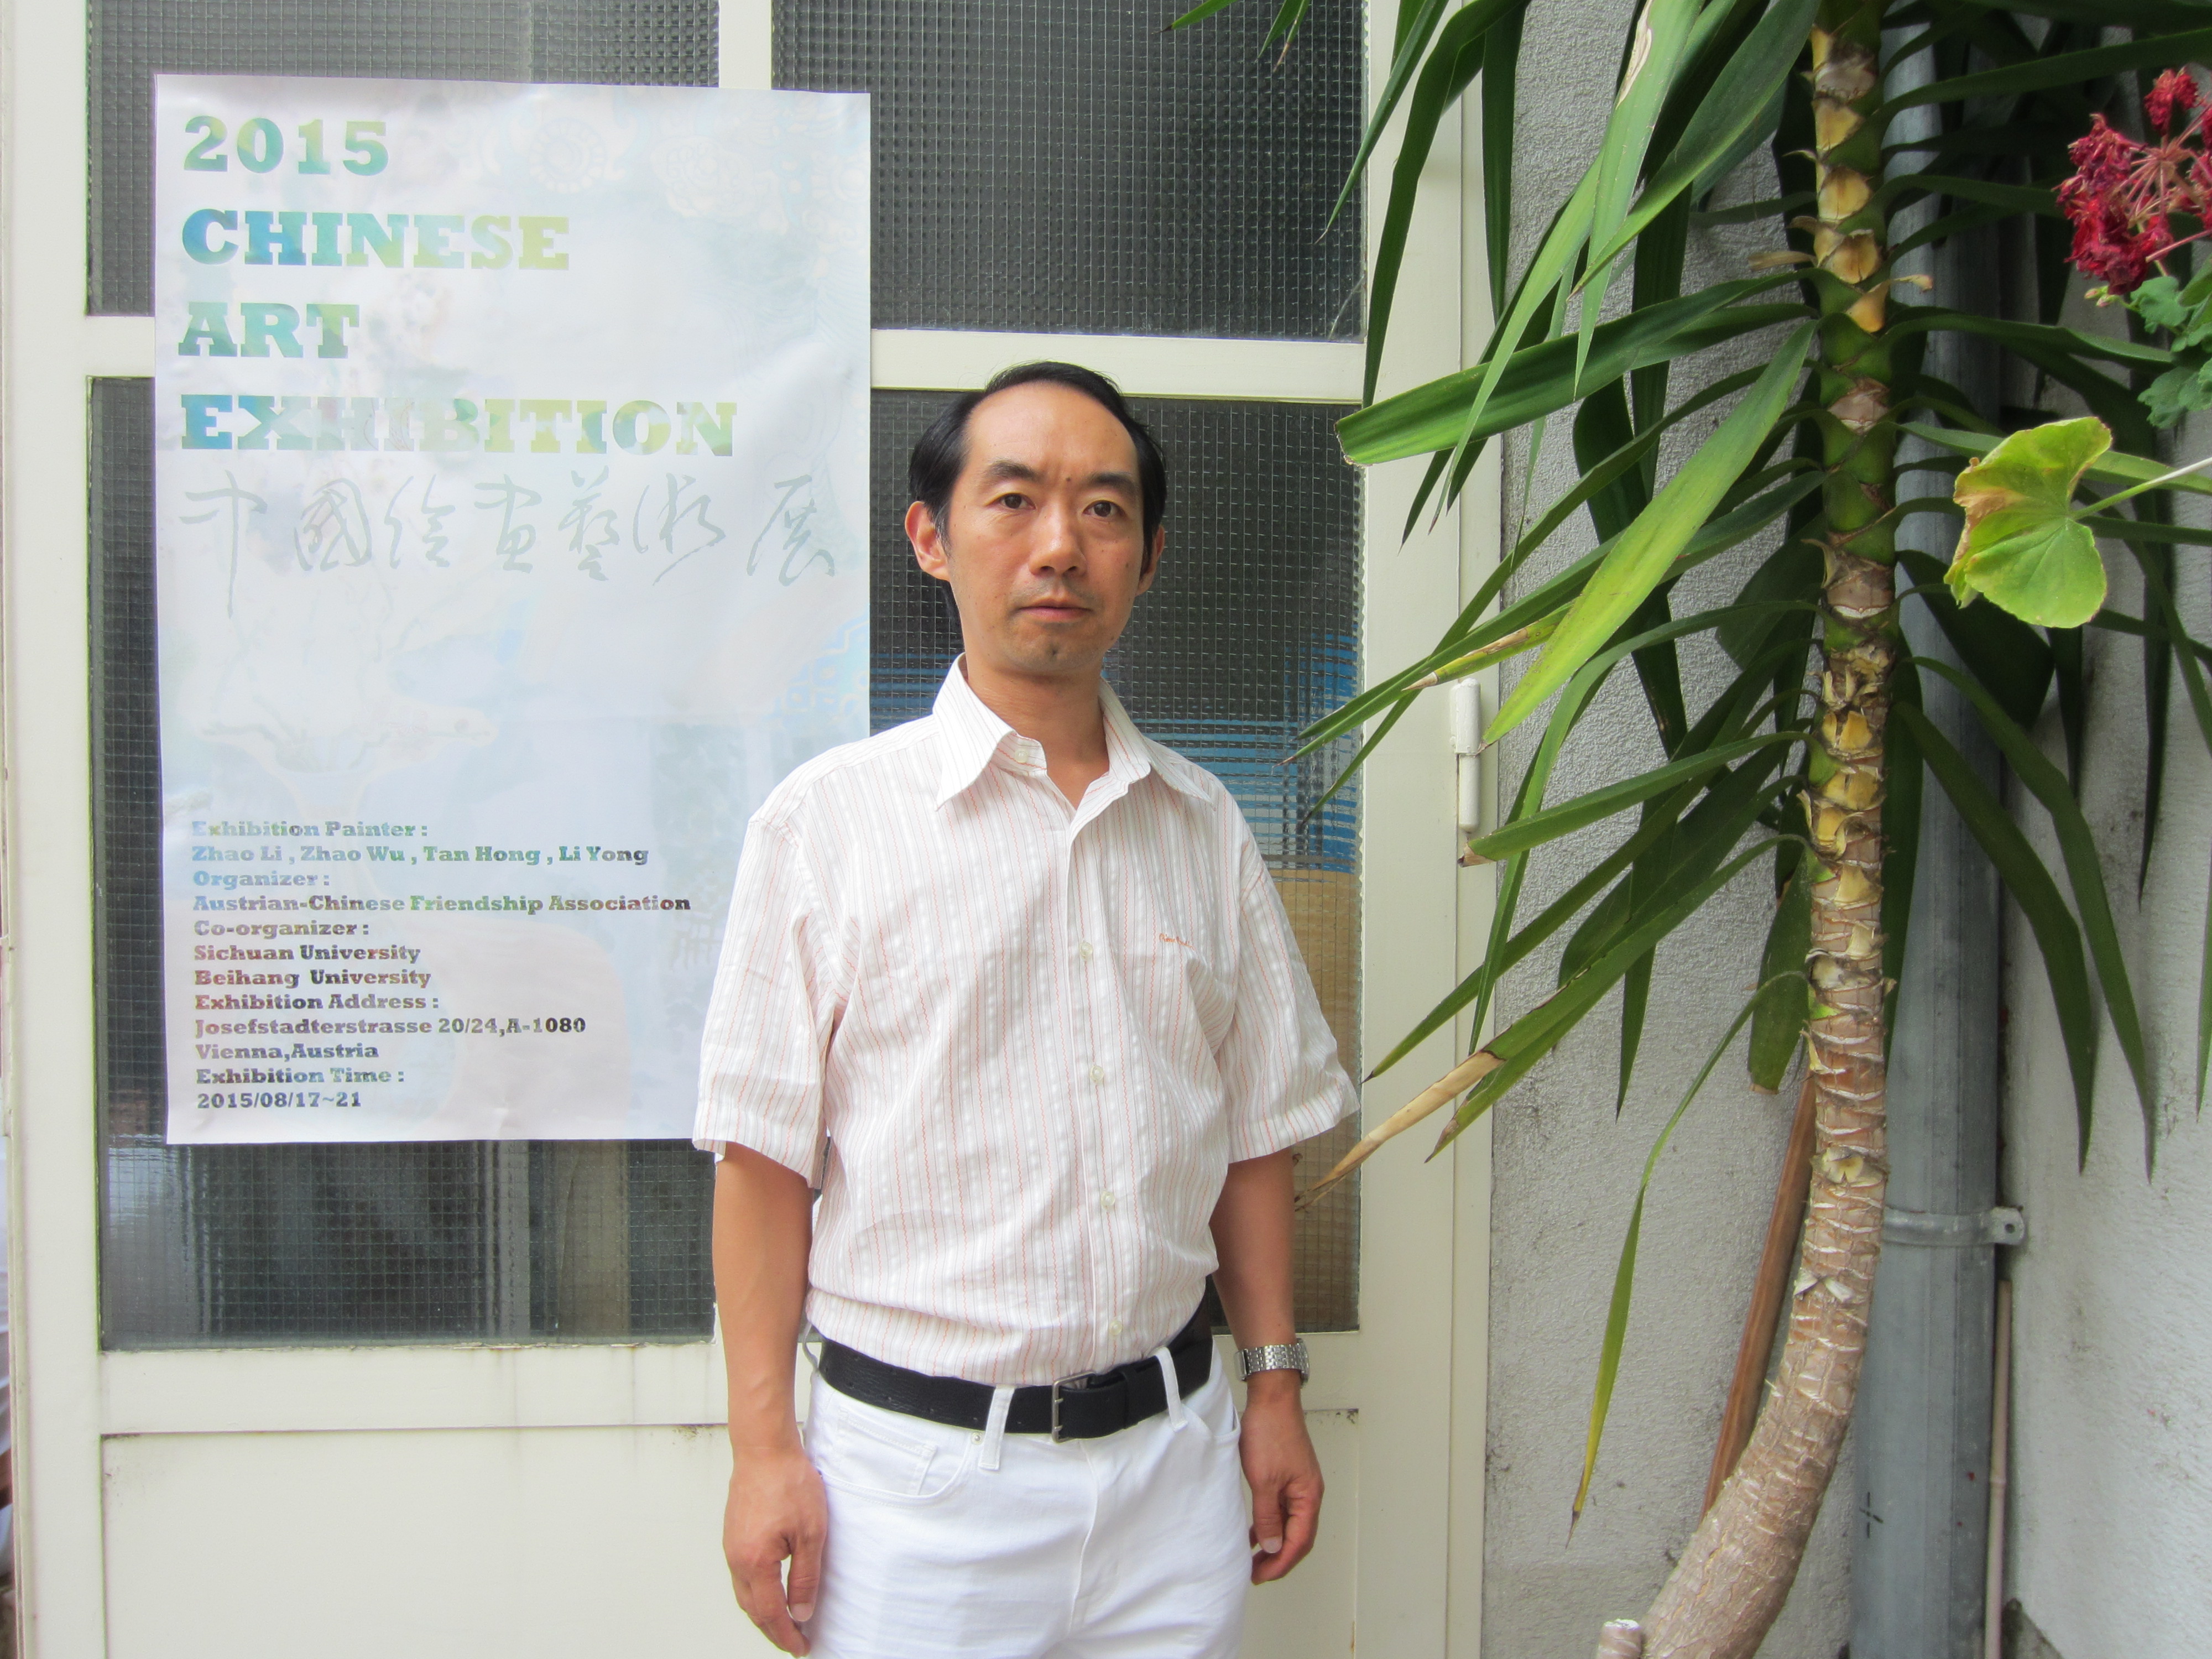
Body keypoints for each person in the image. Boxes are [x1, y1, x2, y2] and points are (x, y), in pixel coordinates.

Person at [695, 361, 1357, 1659]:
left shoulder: (1201, 825)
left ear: (1146, 559)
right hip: (915, 1499)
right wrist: (762, 1451)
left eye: (1103, 510)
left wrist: (1273, 1389)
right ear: (930, 538)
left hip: (1173, 1477)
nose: (1060, 544)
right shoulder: (826, 826)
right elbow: (760, 1163)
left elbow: (1253, 1139)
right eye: (1013, 501)